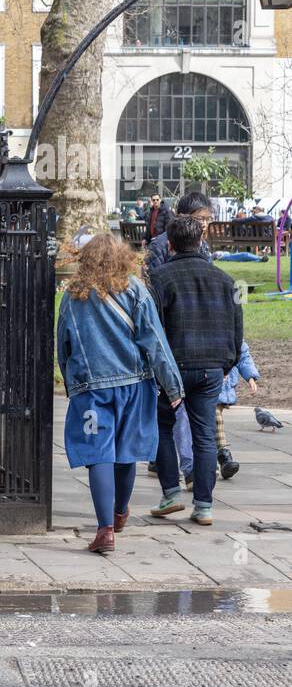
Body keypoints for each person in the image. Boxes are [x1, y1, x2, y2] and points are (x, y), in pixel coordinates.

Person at [57, 234, 183, 554]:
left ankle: (105, 529)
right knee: (125, 453)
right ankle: (120, 510)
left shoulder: (73, 297)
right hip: (135, 386)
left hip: (91, 389)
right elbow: (155, 342)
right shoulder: (136, 290)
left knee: (98, 454)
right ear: (124, 257)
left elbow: (63, 346)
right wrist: (173, 387)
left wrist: (72, 384)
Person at [147, 216, 244, 527]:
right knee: (204, 436)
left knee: (162, 427)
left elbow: (154, 328)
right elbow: (236, 328)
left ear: (170, 244)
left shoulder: (160, 279)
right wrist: (227, 363)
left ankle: (171, 493)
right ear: (201, 241)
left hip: (173, 367)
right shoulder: (226, 280)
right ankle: (203, 505)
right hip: (211, 366)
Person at [216, 340, 259, 479]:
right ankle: (223, 456)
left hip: (223, 386)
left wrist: (250, 377)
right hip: (210, 382)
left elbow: (243, 355)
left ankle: (220, 459)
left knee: (214, 422)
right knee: (214, 420)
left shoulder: (233, 330)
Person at [144, 190, 211, 275]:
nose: (204, 224)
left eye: (208, 219)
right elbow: (150, 280)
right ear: (183, 217)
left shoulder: (203, 245)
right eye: (199, 219)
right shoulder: (160, 246)